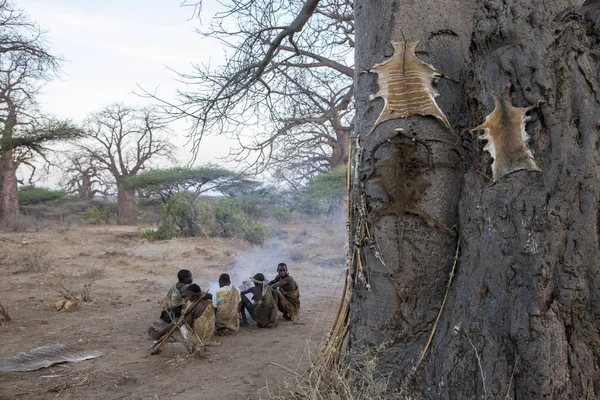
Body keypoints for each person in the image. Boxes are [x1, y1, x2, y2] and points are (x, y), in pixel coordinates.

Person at [149, 284, 219, 349]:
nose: (188, 297)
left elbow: (187, 323)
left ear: (193, 295)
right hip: (209, 333)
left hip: (200, 337)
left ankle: (158, 335)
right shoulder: (208, 303)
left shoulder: (194, 306)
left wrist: (182, 317)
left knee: (177, 321)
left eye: (189, 295)